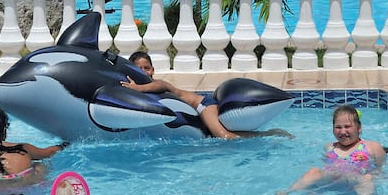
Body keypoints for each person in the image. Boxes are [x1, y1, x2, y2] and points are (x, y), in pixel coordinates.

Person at [120, 51, 283, 140]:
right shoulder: (145, 87)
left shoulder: (155, 84)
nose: (144, 71)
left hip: (203, 105)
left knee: (223, 136)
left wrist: (138, 88)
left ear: (153, 70)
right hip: (195, 111)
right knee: (213, 136)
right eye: (139, 69)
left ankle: (269, 135)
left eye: (146, 68)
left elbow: (160, 85)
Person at [272, 104, 386, 195]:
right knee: (314, 171)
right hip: (333, 178)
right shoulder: (330, 147)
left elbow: (379, 169)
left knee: (368, 178)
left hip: (356, 179)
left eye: (347, 126)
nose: (342, 131)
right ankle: (285, 193)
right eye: (338, 127)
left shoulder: (372, 147)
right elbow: (325, 164)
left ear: (359, 128)